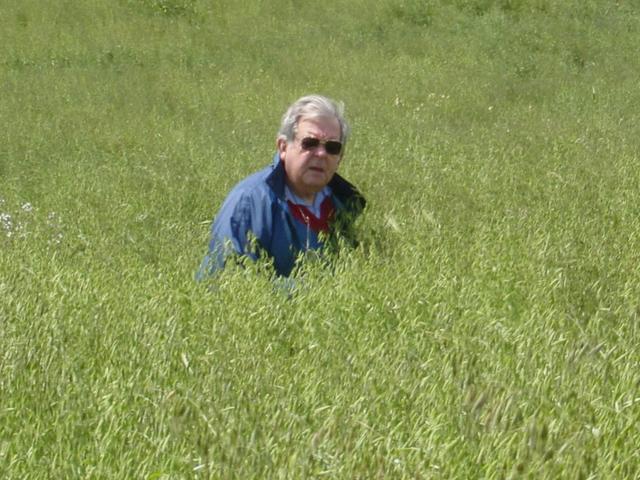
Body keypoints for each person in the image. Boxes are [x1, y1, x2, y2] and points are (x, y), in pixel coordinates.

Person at [196, 94, 365, 279]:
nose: (321, 154)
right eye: (310, 143)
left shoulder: (345, 203)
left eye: (332, 147)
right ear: (283, 147)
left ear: (340, 158)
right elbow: (226, 280)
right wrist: (315, 293)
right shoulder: (249, 202)